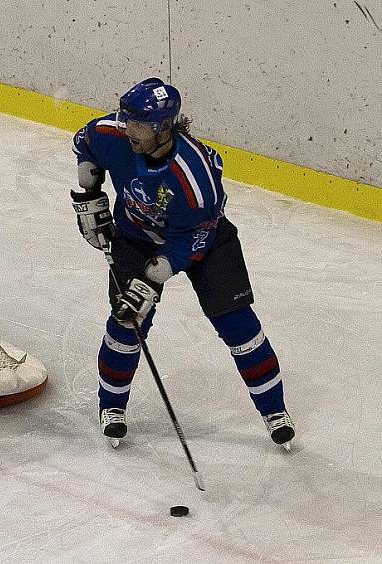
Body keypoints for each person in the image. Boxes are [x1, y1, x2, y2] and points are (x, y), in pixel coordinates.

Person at [71, 78, 295, 450]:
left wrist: (154, 276)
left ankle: (274, 411)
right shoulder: (113, 132)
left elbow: (195, 237)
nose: (129, 129)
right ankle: (111, 407)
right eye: (127, 120)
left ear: (163, 127)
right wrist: (90, 193)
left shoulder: (194, 176)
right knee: (129, 322)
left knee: (239, 325)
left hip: (202, 241)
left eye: (139, 125)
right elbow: (85, 142)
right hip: (136, 237)